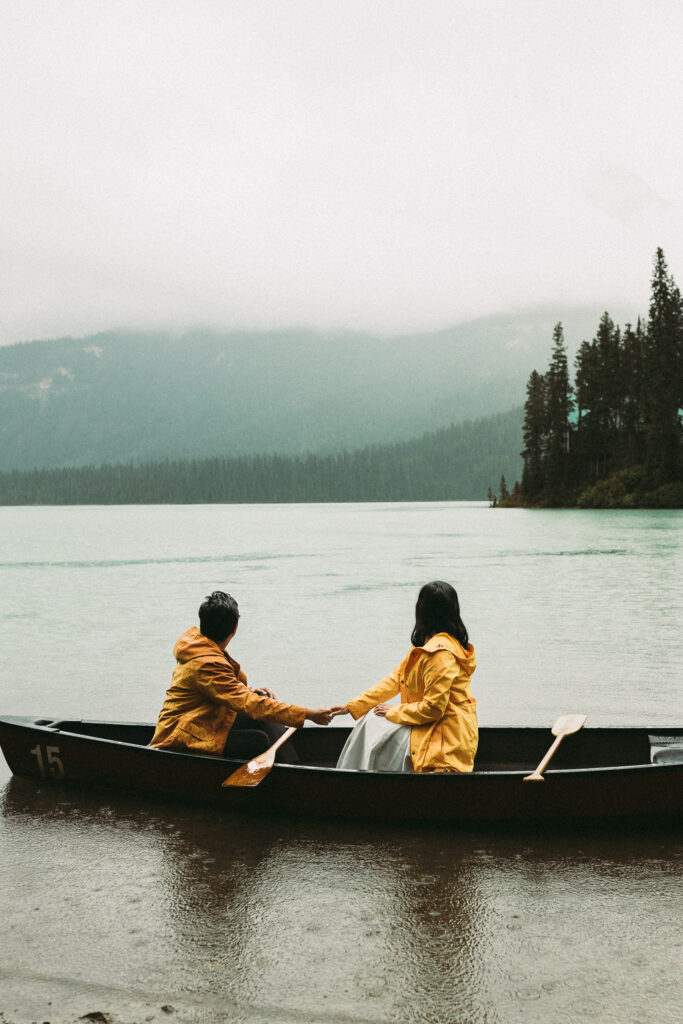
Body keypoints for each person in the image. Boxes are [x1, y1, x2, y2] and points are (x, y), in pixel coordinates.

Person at [150, 591, 332, 762]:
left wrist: (249, 691)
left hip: (201, 720)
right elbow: (247, 703)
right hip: (181, 735)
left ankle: (292, 767)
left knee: (262, 699)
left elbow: (218, 690)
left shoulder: (198, 645)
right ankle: (290, 775)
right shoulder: (206, 662)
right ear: (234, 629)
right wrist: (308, 714)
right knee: (258, 741)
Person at [331, 581, 477, 773]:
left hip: (444, 740)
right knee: (370, 720)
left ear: (422, 610)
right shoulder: (424, 647)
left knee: (374, 725)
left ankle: (351, 779)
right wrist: (352, 706)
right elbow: (394, 681)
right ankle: (351, 778)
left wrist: (393, 711)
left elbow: (433, 709)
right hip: (429, 727)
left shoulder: (439, 654)